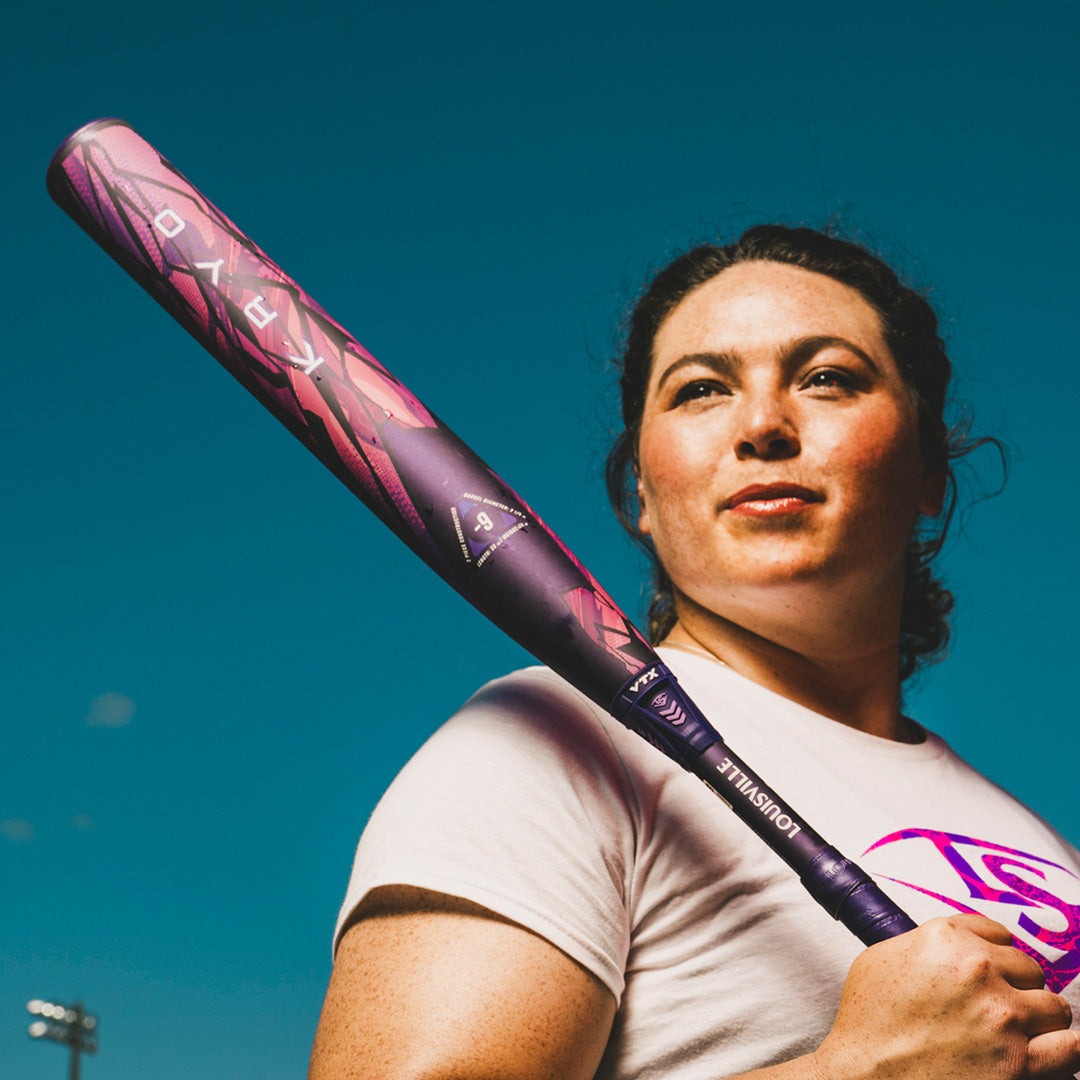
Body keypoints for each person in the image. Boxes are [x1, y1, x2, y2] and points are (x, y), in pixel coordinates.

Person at [308, 226, 1080, 1080]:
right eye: (702, 390)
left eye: (826, 379)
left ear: (931, 466)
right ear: (641, 487)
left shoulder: (1038, 842)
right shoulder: (557, 740)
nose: (761, 425)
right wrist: (853, 1072)